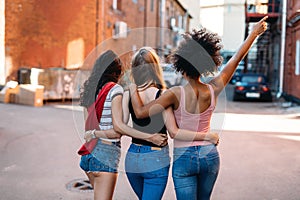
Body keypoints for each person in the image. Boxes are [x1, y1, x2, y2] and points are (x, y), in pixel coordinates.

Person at [129, 17, 268, 199]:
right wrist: (253, 34)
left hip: (184, 158)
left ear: (182, 67)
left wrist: (132, 88)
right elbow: (236, 58)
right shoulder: (214, 89)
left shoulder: (173, 94)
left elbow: (140, 112)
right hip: (209, 155)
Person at [123, 47, 220, 200]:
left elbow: (119, 127)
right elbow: (173, 131)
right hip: (156, 156)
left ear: (134, 69)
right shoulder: (164, 94)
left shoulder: (129, 92)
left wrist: (132, 88)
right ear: (156, 67)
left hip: (132, 156)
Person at [78, 50, 167, 200]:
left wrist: (94, 134)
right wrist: (151, 137)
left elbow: (89, 129)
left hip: (88, 157)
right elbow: (118, 129)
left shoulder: (90, 91)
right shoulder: (116, 90)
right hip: (106, 155)